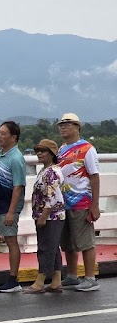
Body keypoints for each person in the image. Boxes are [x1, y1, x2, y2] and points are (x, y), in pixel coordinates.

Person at [56, 113, 101, 291]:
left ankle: (90, 277)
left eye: (67, 124)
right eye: (61, 125)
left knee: (85, 242)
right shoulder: (61, 149)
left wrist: (94, 205)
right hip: (63, 202)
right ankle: (72, 275)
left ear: (77, 127)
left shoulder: (87, 149)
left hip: (82, 202)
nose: (63, 127)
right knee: (67, 242)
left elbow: (95, 177)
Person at [0, 121, 26, 293]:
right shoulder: (2, 154)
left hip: (5, 208)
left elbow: (18, 186)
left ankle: (13, 279)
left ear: (13, 137)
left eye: (3, 133)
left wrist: (11, 212)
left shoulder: (16, 159)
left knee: (11, 240)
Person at [25, 139, 65, 294]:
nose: (39, 153)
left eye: (43, 151)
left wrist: (43, 216)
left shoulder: (52, 172)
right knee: (53, 248)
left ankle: (40, 281)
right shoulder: (45, 170)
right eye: (38, 150)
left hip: (51, 216)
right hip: (48, 215)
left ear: (52, 154)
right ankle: (56, 281)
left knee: (46, 248)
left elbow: (52, 197)